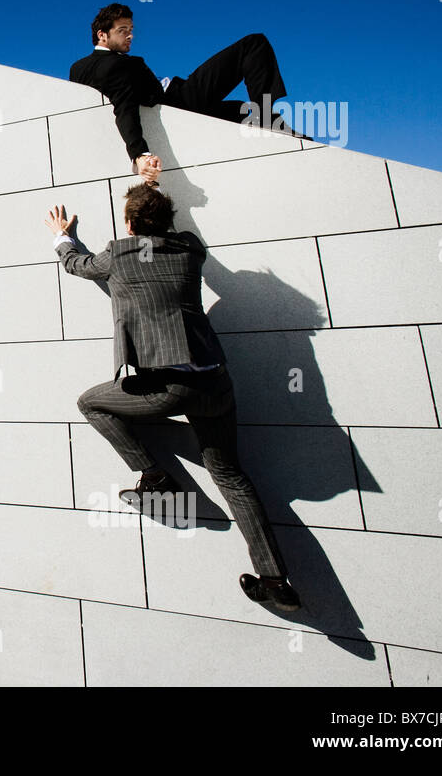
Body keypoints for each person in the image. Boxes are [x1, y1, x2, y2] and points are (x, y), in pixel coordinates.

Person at [45, 180, 301, 611]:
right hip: (215, 385)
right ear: (169, 222)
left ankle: (154, 477)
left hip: (165, 389)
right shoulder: (190, 251)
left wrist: (62, 235)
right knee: (232, 477)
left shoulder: (120, 256)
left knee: (90, 402)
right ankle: (275, 580)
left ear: (128, 225)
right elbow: (163, 228)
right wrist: (151, 190)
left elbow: (78, 264)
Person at [69, 3, 301, 184]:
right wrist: (139, 154)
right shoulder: (113, 66)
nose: (130, 36)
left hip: (178, 97)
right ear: (102, 35)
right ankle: (265, 114)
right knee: (253, 44)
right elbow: (124, 106)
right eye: (122, 31)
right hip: (180, 99)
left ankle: (281, 131)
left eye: (131, 30)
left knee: (241, 111)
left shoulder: (80, 67)